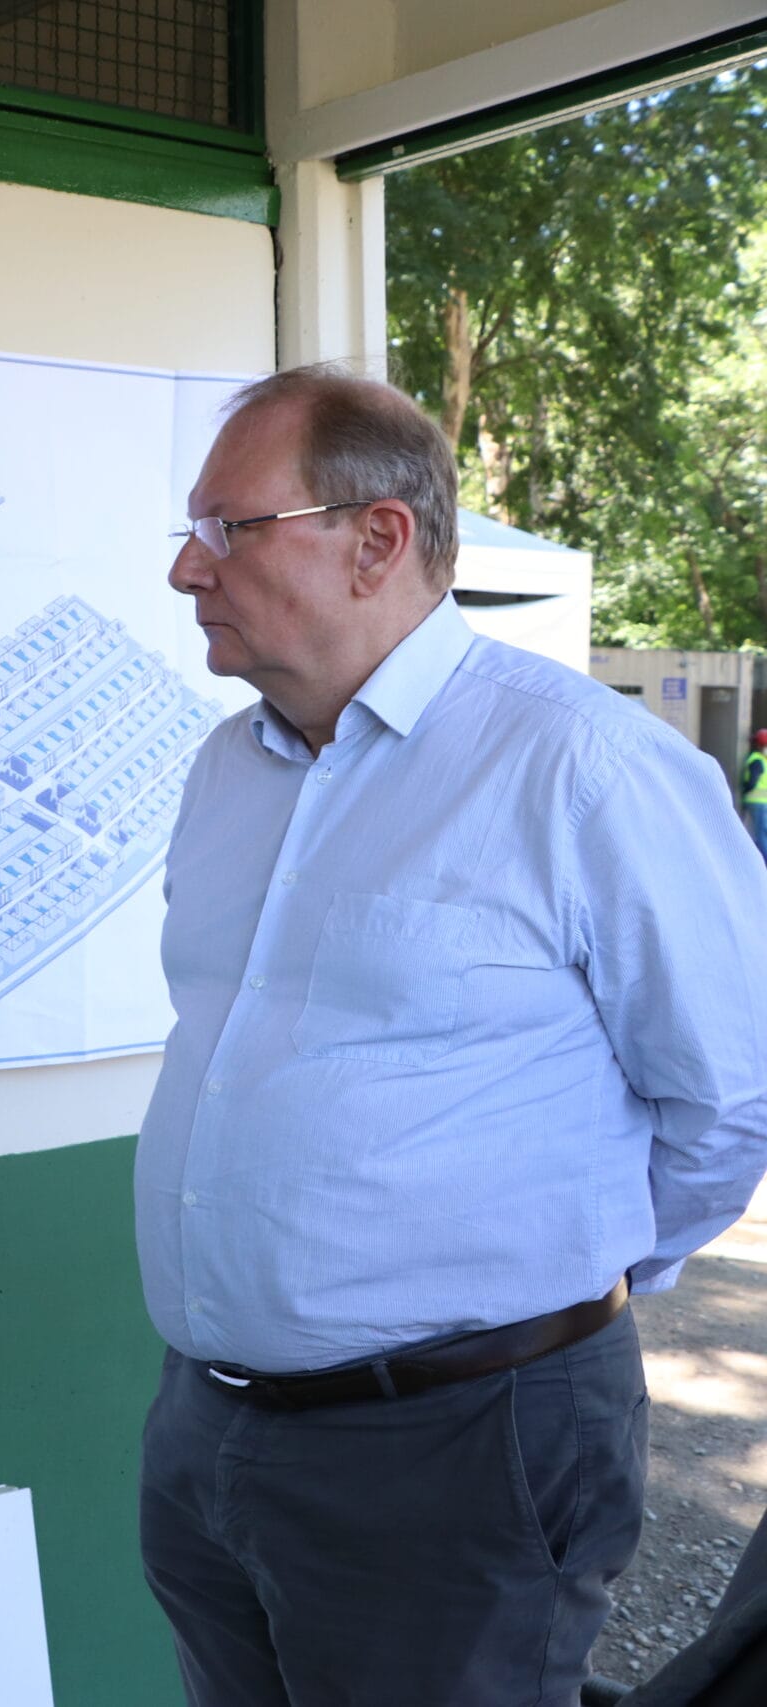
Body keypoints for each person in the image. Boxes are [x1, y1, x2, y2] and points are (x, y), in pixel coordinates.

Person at [135, 365, 767, 1706]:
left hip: (464, 1435)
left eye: (228, 528)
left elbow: (732, 1102)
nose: (190, 570)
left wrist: (548, 1291)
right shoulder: (227, 768)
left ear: (377, 537)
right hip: (209, 1420)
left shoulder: (580, 763)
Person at [743, 730, 767, 860]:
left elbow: (752, 782)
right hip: (764, 802)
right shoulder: (764, 760)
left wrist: (745, 789)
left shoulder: (756, 760)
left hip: (756, 802)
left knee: (760, 835)